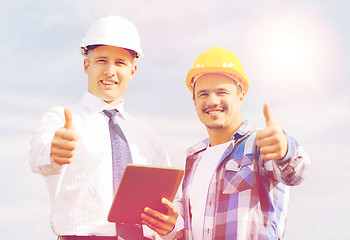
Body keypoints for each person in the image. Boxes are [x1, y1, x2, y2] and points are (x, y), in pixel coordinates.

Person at [141, 46, 310, 239]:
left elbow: (296, 173)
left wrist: (285, 150)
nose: (213, 101)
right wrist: (172, 227)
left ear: (241, 95)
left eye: (222, 92)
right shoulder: (194, 159)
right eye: (203, 94)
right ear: (194, 100)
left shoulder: (260, 144)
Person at [30, 15, 172, 240]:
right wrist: (54, 152)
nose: (110, 71)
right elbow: (39, 157)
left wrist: (171, 221)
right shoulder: (61, 119)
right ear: (86, 65)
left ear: (133, 70)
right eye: (101, 61)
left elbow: (169, 203)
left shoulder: (148, 137)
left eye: (120, 63)